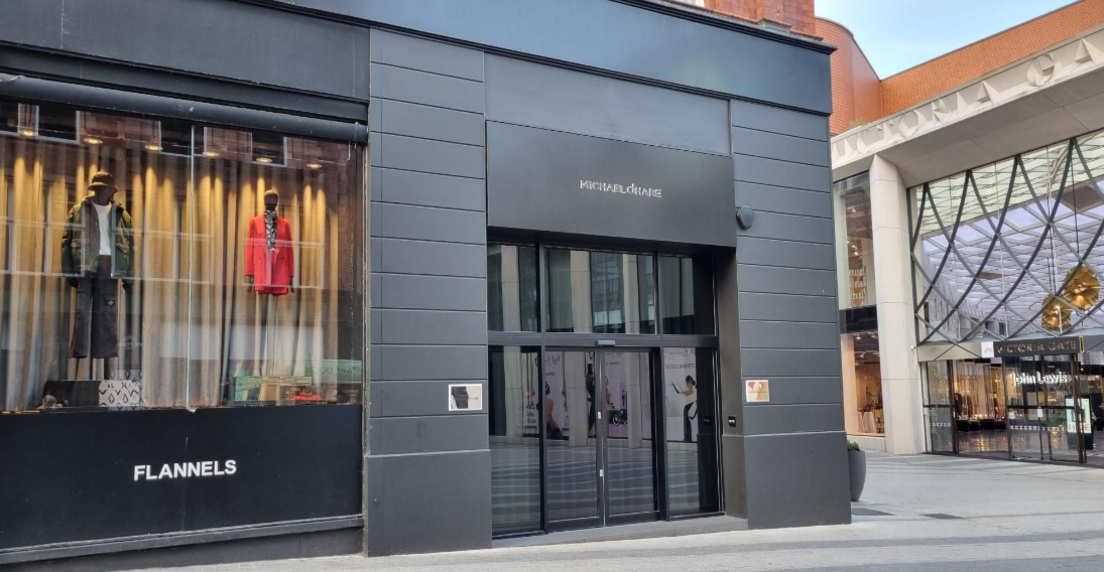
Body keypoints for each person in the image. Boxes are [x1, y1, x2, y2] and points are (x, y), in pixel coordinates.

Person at [672, 375, 697, 442]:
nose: (688, 384)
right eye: (687, 383)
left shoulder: (693, 391)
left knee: (688, 424)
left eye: (689, 383)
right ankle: (687, 437)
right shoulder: (690, 391)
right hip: (687, 409)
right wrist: (674, 386)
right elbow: (679, 392)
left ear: (692, 382)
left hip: (690, 409)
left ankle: (689, 438)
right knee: (686, 424)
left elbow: (680, 392)